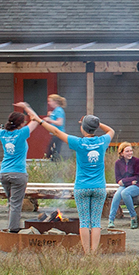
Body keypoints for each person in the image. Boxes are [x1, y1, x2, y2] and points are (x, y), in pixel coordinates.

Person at [25, 106, 115, 255]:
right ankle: (95, 252)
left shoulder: (78, 143)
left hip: (82, 187)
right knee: (96, 222)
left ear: (83, 129)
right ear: (94, 128)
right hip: (99, 187)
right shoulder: (102, 141)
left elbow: (56, 131)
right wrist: (96, 123)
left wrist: (40, 121)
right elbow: (111, 130)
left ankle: (87, 253)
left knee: (85, 222)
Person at [108, 142, 139, 228]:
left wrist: (124, 181)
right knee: (117, 195)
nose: (130, 153)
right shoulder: (118, 163)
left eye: (131, 151)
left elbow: (137, 177)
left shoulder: (136, 161)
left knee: (125, 193)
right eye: (127, 151)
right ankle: (111, 219)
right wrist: (129, 181)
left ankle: (133, 216)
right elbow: (118, 179)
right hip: (124, 185)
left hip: (136, 186)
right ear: (121, 153)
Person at [43, 93, 68, 164]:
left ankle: (56, 165)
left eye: (50, 101)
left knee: (55, 152)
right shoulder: (56, 110)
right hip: (55, 133)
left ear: (55, 102)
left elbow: (60, 122)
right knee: (51, 151)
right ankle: (54, 164)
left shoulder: (59, 110)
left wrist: (49, 120)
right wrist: (51, 115)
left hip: (58, 134)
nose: (49, 103)